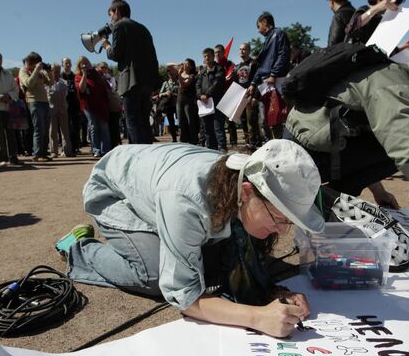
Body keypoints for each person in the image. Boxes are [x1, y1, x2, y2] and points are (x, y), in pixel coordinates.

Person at [60, 139, 324, 337]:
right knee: (155, 276)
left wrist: (275, 292)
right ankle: (79, 248)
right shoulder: (187, 201)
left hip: (154, 183)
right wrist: (257, 317)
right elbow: (185, 298)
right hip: (114, 194)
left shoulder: (250, 176)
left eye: (288, 221)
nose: (281, 231)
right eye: (278, 218)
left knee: (219, 257)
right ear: (246, 192)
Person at [284, 46, 409, 231]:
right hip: (304, 152)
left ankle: (331, 205)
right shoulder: (395, 84)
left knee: (393, 149)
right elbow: (408, 153)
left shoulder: (391, 76)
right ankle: (325, 206)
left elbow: (370, 138)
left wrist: (379, 192)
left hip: (314, 142)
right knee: (404, 150)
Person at [101, 0, 159, 144]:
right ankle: (147, 155)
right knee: (144, 121)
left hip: (130, 82)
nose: (111, 19)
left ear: (117, 12)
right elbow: (153, 57)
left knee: (132, 121)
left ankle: (138, 156)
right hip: (146, 82)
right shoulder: (143, 29)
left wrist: (106, 45)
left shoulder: (119, 26)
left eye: (110, 14)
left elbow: (115, 54)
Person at [247, 12, 291, 139]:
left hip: (276, 81)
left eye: (258, 26)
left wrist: (274, 74)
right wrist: (253, 83)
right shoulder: (268, 40)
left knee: (279, 115)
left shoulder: (279, 34)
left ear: (264, 22)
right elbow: (261, 66)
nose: (258, 30)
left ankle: (283, 143)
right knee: (268, 118)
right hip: (266, 83)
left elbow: (283, 55)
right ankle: (273, 143)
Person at [19, 52, 54, 162]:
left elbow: (50, 83)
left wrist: (49, 72)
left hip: (44, 102)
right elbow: (29, 84)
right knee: (39, 128)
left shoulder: (40, 72)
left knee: (45, 129)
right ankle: (37, 154)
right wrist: (36, 70)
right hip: (34, 101)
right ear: (30, 62)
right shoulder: (23, 71)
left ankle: (43, 153)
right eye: (36, 63)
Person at [75, 56, 111, 158]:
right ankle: (96, 150)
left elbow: (105, 87)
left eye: (86, 62)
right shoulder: (78, 76)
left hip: (101, 104)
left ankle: (106, 150)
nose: (85, 65)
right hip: (88, 106)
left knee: (103, 126)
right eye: (82, 63)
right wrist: (84, 75)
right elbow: (81, 89)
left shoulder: (96, 74)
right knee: (93, 126)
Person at [196, 48, 227, 152]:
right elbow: (197, 85)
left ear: (213, 56)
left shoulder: (219, 69)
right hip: (205, 104)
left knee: (218, 126)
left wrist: (207, 94)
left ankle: (222, 148)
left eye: (209, 56)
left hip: (216, 101)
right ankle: (211, 149)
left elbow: (217, 83)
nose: (207, 58)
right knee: (207, 128)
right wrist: (200, 95)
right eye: (205, 56)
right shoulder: (202, 72)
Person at [234, 43, 262, 150]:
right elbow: (236, 83)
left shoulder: (254, 64)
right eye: (240, 49)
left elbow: (258, 80)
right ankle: (247, 142)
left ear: (249, 51)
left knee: (252, 120)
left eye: (244, 49)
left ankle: (254, 143)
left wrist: (255, 96)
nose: (242, 51)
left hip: (251, 95)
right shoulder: (237, 67)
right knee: (243, 120)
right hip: (241, 97)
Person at [47, 64, 73, 158]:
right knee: (53, 131)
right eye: (55, 70)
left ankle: (67, 151)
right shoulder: (47, 83)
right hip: (51, 109)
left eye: (58, 70)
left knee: (65, 131)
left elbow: (66, 95)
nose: (57, 73)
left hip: (62, 108)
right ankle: (54, 152)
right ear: (51, 71)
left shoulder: (64, 82)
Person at [62, 57, 84, 154]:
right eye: (66, 63)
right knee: (66, 127)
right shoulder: (60, 76)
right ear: (62, 64)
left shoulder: (74, 76)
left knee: (76, 126)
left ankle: (76, 147)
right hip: (64, 105)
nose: (68, 64)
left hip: (75, 104)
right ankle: (66, 148)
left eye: (69, 62)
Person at [176, 58, 199, 145]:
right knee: (181, 121)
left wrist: (178, 75)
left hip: (189, 101)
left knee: (190, 121)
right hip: (179, 101)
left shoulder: (192, 76)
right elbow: (169, 66)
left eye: (187, 64)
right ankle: (183, 140)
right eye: (184, 63)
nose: (185, 65)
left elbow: (184, 85)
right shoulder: (181, 74)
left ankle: (193, 141)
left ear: (191, 66)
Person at [156, 64, 179, 142]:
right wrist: (166, 93)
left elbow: (182, 94)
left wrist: (174, 94)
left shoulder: (179, 82)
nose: (171, 75)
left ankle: (184, 136)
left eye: (172, 73)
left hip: (177, 105)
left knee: (181, 121)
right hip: (168, 106)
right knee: (171, 122)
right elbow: (160, 94)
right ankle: (174, 138)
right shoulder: (165, 83)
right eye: (169, 74)